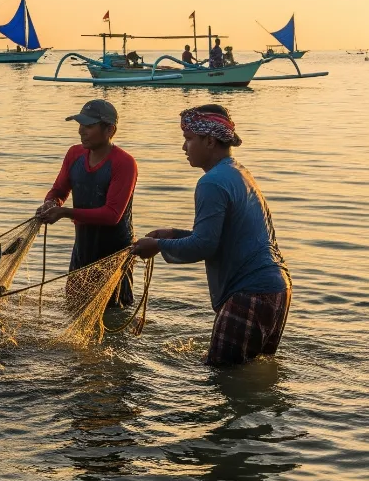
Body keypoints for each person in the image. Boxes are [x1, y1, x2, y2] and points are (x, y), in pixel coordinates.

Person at [132, 105, 291, 366]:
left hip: (249, 292)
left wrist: (158, 245)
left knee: (222, 375)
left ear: (209, 141)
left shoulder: (211, 182)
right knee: (250, 374)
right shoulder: (238, 172)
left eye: (188, 139)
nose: (184, 147)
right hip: (277, 289)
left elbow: (204, 245)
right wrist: (171, 234)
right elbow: (221, 239)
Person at [36, 98, 138, 306]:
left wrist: (65, 213)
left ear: (110, 130)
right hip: (82, 248)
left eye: (89, 126)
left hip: (114, 253)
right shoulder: (75, 154)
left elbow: (112, 215)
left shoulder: (124, 163)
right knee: (74, 306)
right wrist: (51, 202)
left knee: (114, 311)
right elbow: (59, 190)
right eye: (80, 125)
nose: (81, 131)